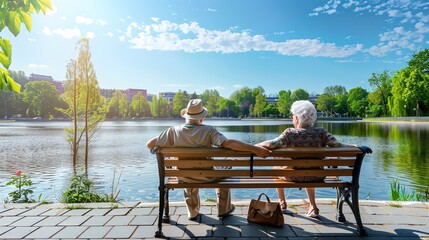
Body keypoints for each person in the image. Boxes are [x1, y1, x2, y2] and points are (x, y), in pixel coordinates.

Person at [147, 99, 271, 220]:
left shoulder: (173, 131)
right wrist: (255, 149)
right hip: (208, 176)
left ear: (187, 116)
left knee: (186, 170)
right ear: (201, 117)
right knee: (226, 166)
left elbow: (150, 144)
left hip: (183, 176)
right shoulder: (209, 131)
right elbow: (228, 143)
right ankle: (224, 209)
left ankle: (192, 212)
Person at [256, 100, 352, 218]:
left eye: (292, 116)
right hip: (317, 176)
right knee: (310, 167)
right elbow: (339, 145)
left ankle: (282, 203)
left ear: (296, 118)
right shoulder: (322, 132)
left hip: (292, 176)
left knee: (276, 167)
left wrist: (253, 146)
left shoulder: (289, 133)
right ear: (313, 118)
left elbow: (271, 144)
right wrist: (356, 147)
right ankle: (313, 206)